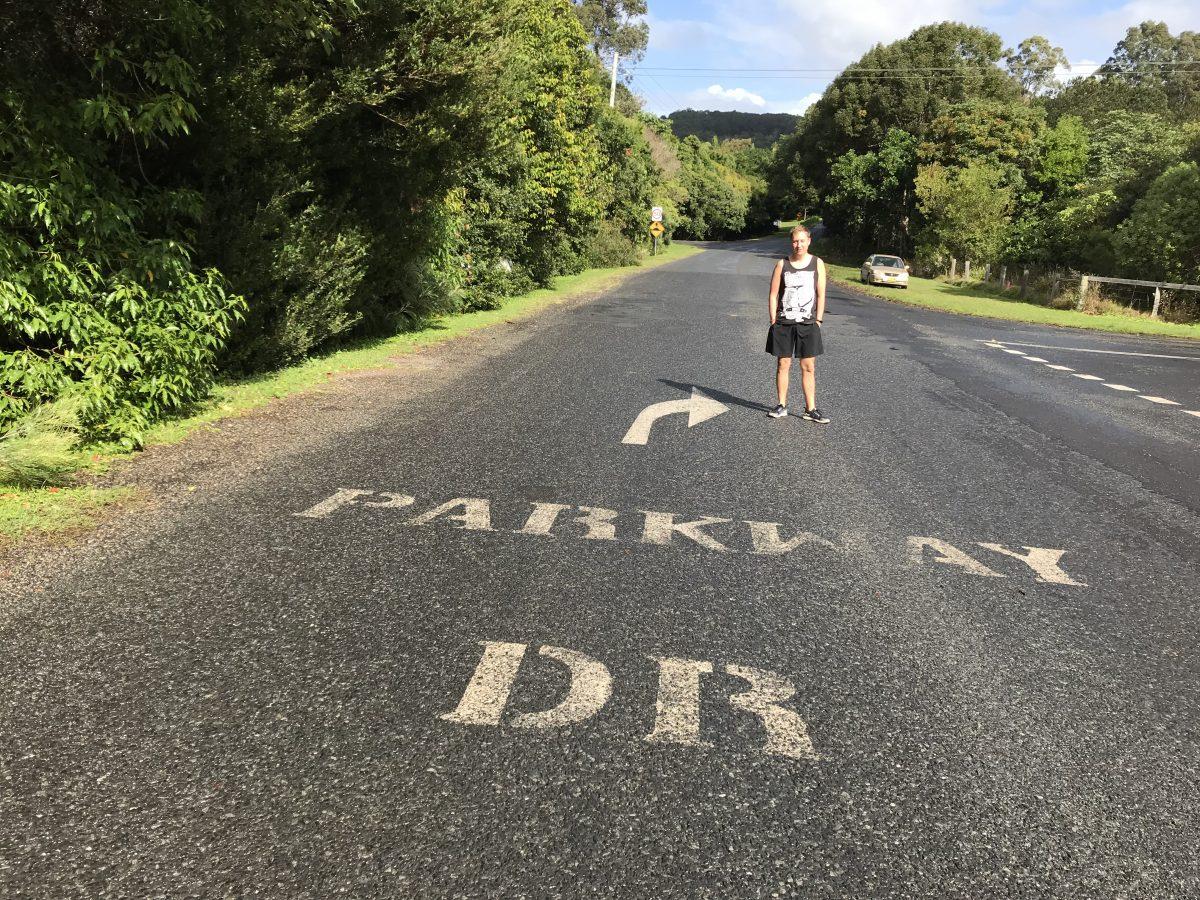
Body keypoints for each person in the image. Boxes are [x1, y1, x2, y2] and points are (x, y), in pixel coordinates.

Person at [765, 225, 830, 423]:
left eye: (802, 241)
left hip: (808, 323)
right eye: (795, 241)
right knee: (783, 364)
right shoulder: (782, 264)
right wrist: (774, 320)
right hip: (784, 322)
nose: (798, 245)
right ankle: (781, 405)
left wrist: (818, 320)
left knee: (808, 366)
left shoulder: (817, 263)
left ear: (809, 241)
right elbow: (773, 294)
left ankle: (810, 409)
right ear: (791, 242)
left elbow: (821, 293)